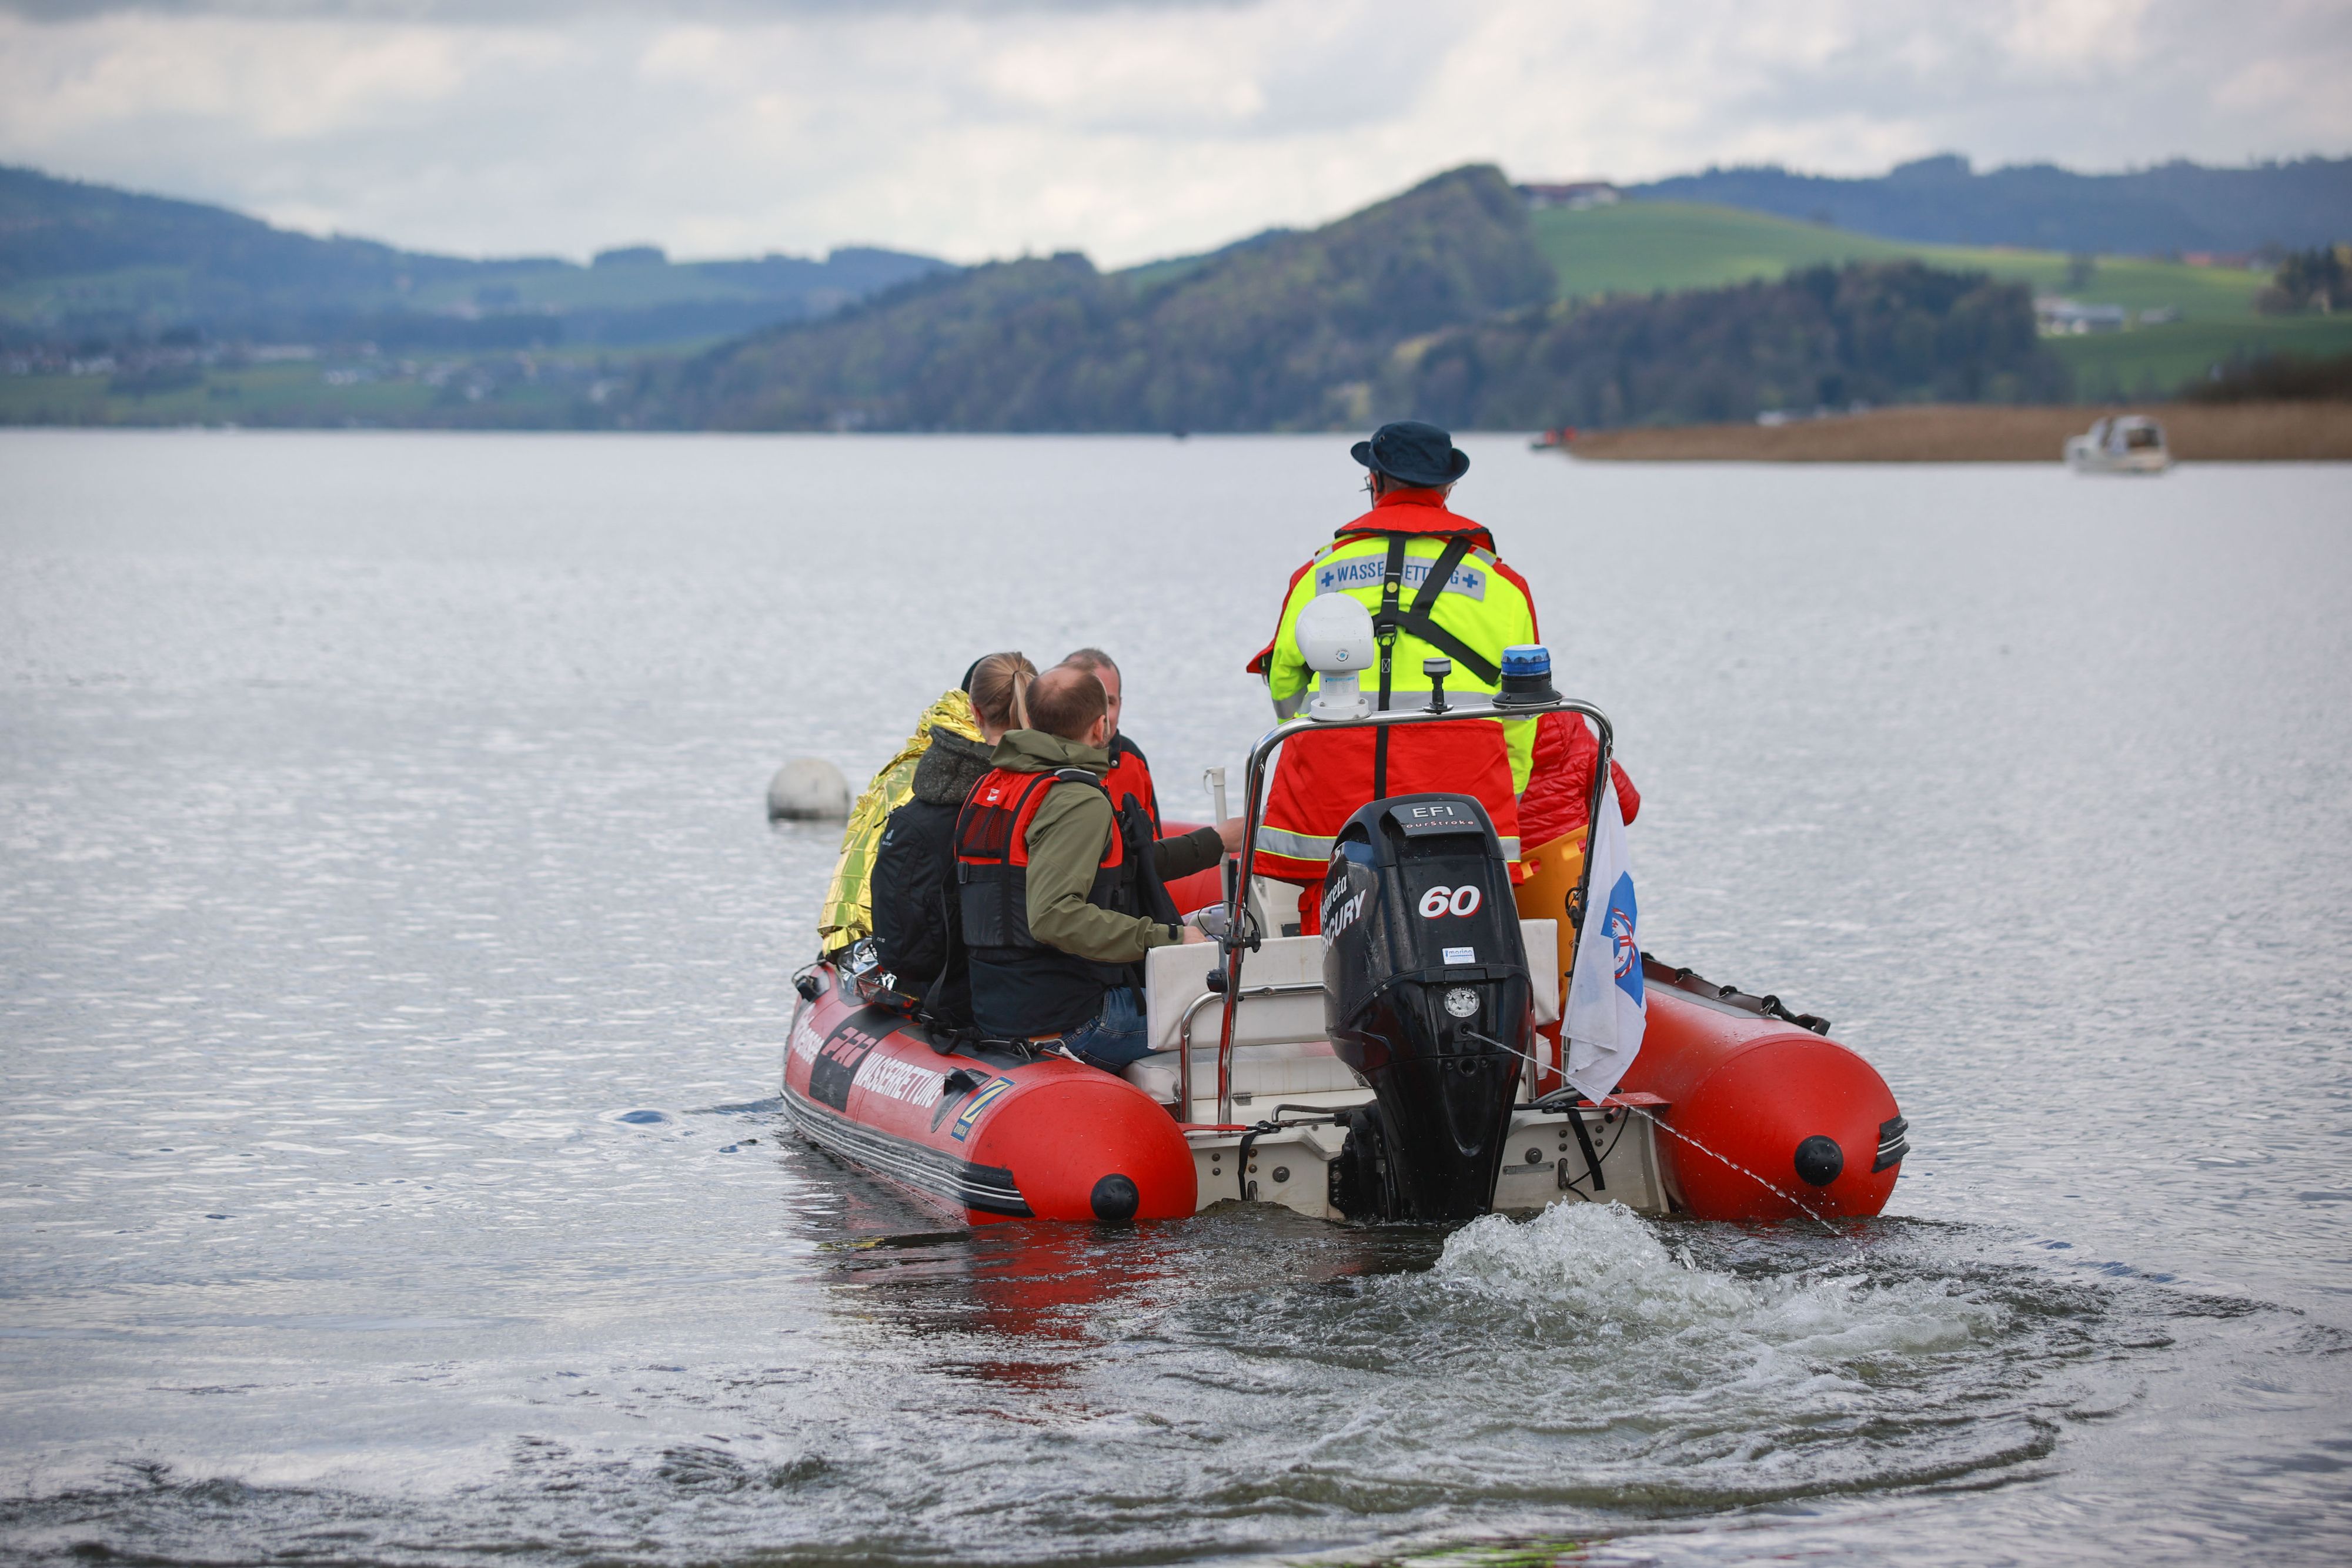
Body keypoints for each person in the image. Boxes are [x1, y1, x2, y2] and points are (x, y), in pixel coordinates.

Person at [1244, 420, 1539, 916]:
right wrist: (1500, 794)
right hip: (1460, 813)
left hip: (1331, 818)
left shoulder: (1318, 574)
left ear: (1375, 482)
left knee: (1331, 940)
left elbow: (1284, 681)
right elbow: (1523, 714)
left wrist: (1316, 737)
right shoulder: (1503, 585)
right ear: (1447, 487)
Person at [954, 664, 1239, 1066]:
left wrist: (1215, 841)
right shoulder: (1076, 799)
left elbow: (1123, 866)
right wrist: (1171, 938)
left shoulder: (998, 786)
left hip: (1000, 1011)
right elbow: (1053, 916)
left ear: (1031, 719)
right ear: (1101, 726)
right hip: (1074, 1022)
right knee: (1238, 1005)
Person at [819, 657, 1034, 957]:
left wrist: (845, 945)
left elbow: (862, 860)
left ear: (972, 707)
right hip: (1023, 966)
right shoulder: (1054, 782)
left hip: (928, 964)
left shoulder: (912, 771)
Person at [867, 652, 1037, 1026]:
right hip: (1046, 995)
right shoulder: (1061, 790)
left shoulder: (923, 805)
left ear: (973, 712)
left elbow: (902, 951)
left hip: (955, 1000)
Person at [1060, 647, 1159, 833]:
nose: (1101, 714)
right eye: (1087, 700)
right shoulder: (1036, 760)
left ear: (1121, 705)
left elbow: (1154, 844)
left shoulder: (1133, 760)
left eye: (1109, 702)